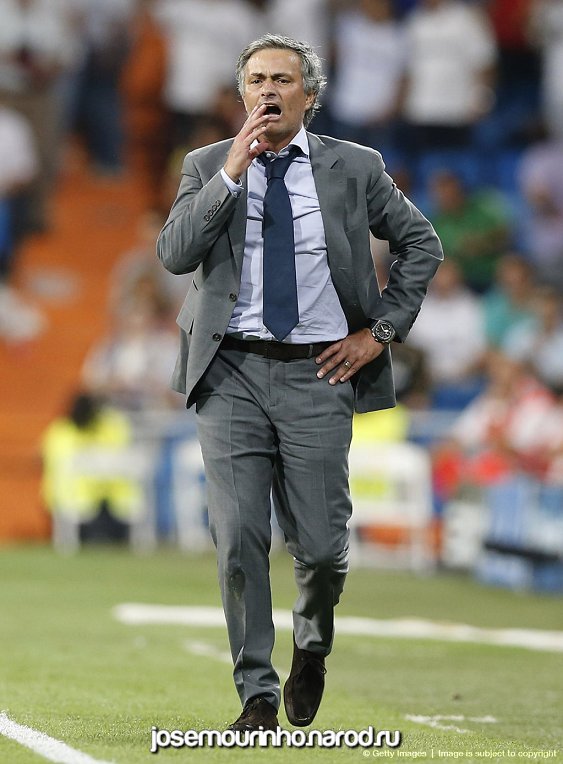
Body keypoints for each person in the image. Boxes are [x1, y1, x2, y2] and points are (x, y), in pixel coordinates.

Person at [157, 34, 442, 732]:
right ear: (241, 93)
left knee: (319, 547)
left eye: (282, 79)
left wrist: (379, 332)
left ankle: (311, 646)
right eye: (256, 79)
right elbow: (175, 254)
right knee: (238, 538)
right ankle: (255, 694)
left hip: (320, 372)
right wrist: (231, 174)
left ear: (309, 96)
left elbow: (421, 243)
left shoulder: (354, 166)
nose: (268, 90)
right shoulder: (206, 164)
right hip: (229, 372)